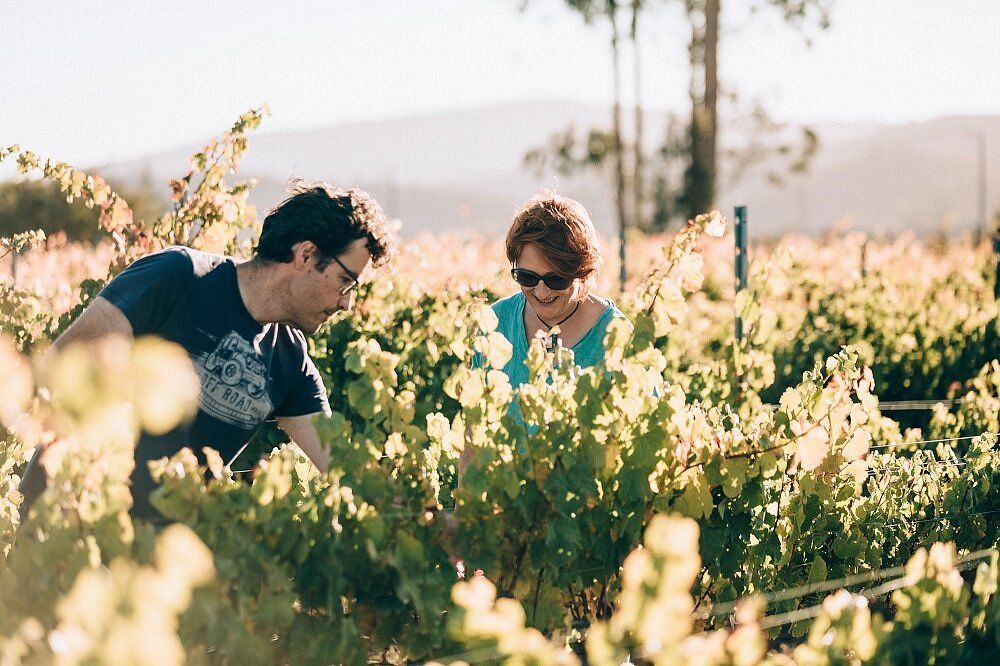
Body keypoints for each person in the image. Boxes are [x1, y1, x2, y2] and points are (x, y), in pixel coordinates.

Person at [18, 181, 394, 523]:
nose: (346, 303)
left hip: (150, 560)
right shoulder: (179, 276)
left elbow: (340, 465)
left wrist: (410, 507)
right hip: (65, 525)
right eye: (345, 281)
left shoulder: (290, 361)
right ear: (307, 255)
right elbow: (66, 364)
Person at [488, 193, 627, 389]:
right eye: (528, 277)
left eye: (556, 280)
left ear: (582, 271)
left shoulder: (615, 334)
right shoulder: (496, 323)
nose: (542, 292)